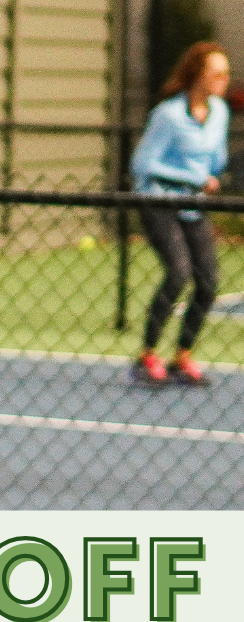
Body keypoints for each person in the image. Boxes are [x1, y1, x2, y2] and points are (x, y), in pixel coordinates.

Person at [130, 40, 231, 386]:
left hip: (193, 205)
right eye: (217, 73)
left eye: (226, 73)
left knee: (208, 282)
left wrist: (212, 175)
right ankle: (147, 355)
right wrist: (192, 177)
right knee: (178, 273)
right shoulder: (168, 115)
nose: (223, 79)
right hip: (158, 202)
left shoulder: (220, 112)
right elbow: (142, 164)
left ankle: (182, 355)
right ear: (197, 75)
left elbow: (215, 160)